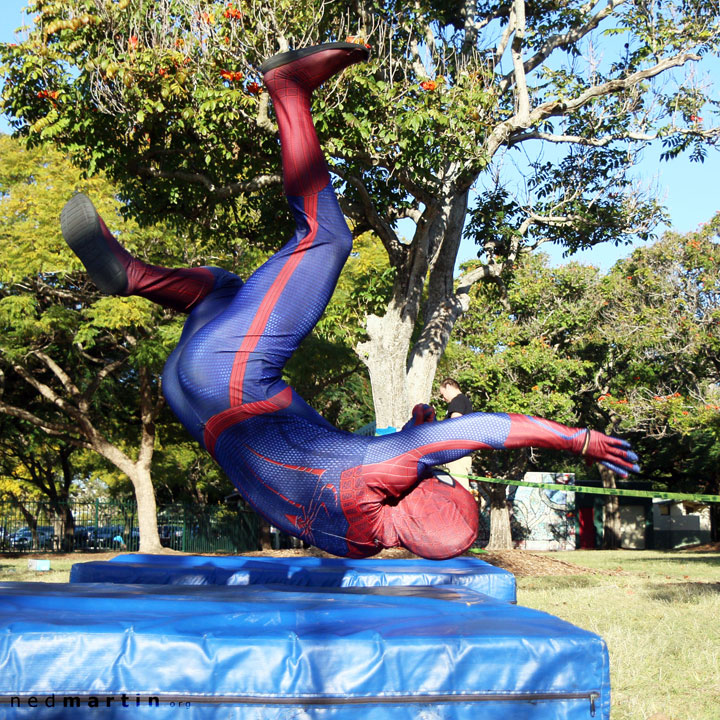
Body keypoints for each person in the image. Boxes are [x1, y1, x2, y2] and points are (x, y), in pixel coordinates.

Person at [60, 42, 639, 560]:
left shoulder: (378, 475)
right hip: (193, 402)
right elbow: (351, 462)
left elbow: (483, 429)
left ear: (421, 488)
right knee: (221, 288)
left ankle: (288, 89)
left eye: (440, 480)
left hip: (232, 378)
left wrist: (579, 440)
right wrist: (412, 430)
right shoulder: (357, 539)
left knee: (326, 238)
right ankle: (133, 274)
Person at [438, 378, 474, 490]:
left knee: (459, 490)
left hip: (457, 456)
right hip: (458, 454)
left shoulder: (457, 400)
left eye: (442, 394)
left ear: (448, 386)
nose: (443, 398)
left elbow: (454, 423)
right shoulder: (464, 401)